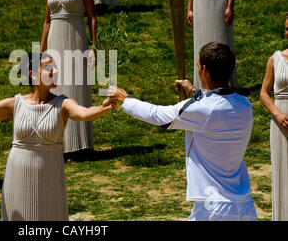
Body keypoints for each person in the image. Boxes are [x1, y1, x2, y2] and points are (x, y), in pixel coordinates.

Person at [0, 53, 115, 220]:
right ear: (32, 74)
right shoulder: (16, 104)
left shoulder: (63, 103)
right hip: (18, 174)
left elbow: (84, 114)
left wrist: (103, 108)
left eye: (55, 67)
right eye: (49, 67)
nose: (55, 71)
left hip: (49, 176)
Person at [107, 42, 257, 221]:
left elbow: (158, 116)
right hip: (244, 205)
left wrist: (124, 99)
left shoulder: (203, 110)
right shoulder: (245, 105)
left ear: (204, 69)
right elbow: (215, 104)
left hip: (213, 208)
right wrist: (194, 91)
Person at [40, 0, 97, 162]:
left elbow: (92, 16)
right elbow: (47, 21)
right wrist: (42, 51)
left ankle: (79, 144)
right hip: (55, 40)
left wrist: (94, 46)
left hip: (76, 39)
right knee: (57, 87)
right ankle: (60, 142)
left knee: (76, 87)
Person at [260, 14, 288, 221]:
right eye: (287, 29)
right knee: (282, 170)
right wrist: (277, 114)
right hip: (281, 123)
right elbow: (264, 93)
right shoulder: (275, 58)